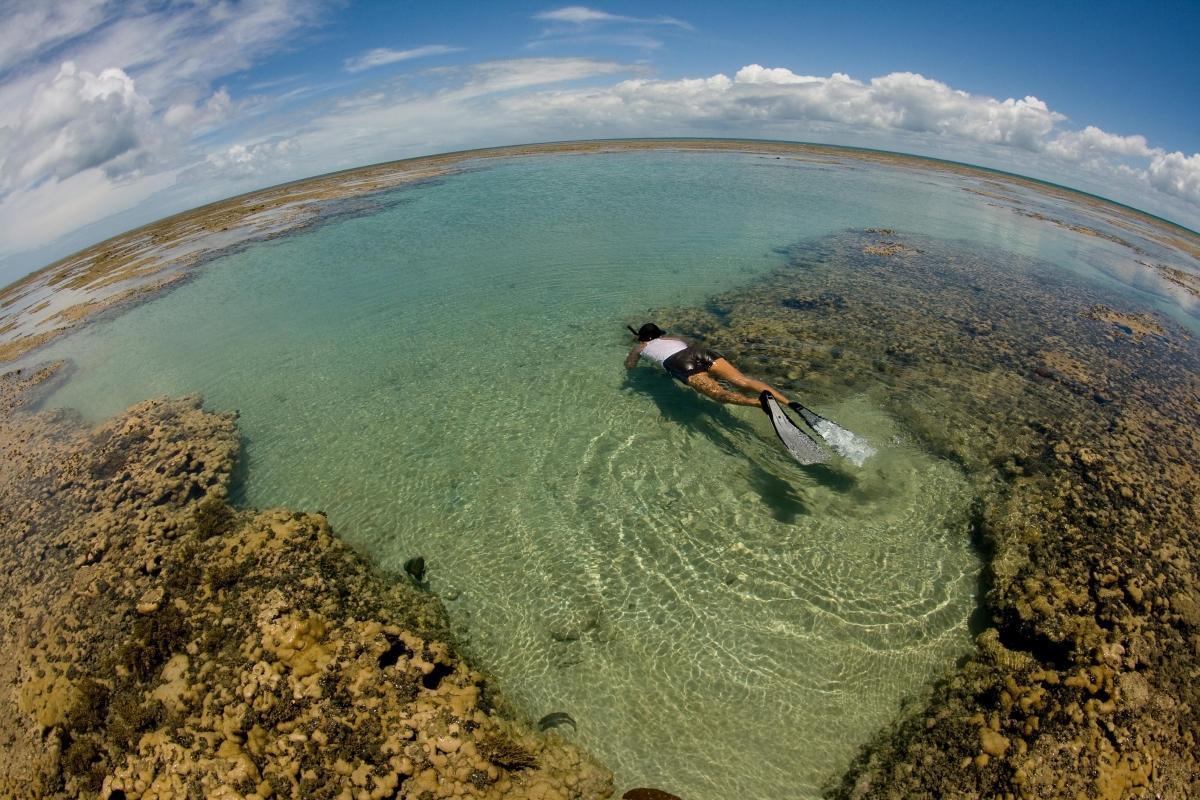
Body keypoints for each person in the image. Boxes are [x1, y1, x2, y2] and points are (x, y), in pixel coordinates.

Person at [624, 322, 792, 407]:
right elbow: (688, 345)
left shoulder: (639, 348)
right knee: (743, 381)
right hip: (700, 352)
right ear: (659, 334)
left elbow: (629, 366)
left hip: (679, 363)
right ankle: (788, 402)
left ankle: (758, 403)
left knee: (718, 394)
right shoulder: (672, 338)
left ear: (641, 338)